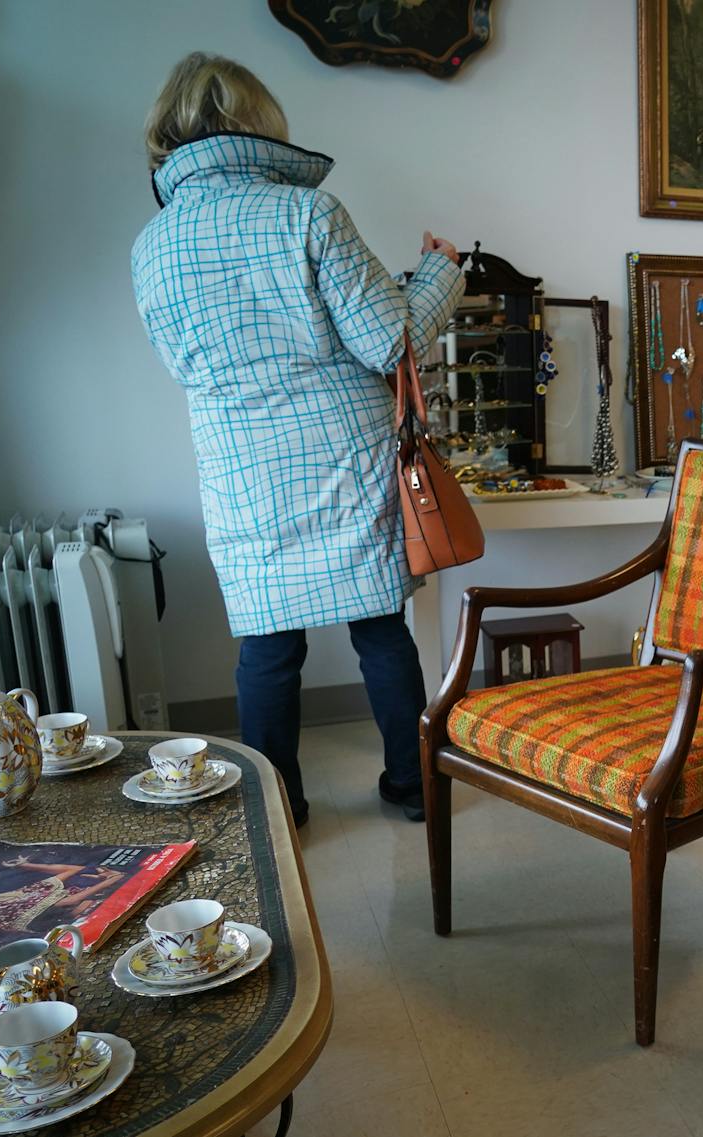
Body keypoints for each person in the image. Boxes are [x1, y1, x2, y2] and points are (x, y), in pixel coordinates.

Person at [132, 53, 466, 826]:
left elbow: (185, 365)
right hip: (343, 457)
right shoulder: (308, 215)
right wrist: (440, 275)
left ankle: (277, 803)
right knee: (381, 627)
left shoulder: (152, 247)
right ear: (259, 122)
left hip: (241, 469)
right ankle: (413, 785)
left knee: (267, 647)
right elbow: (390, 342)